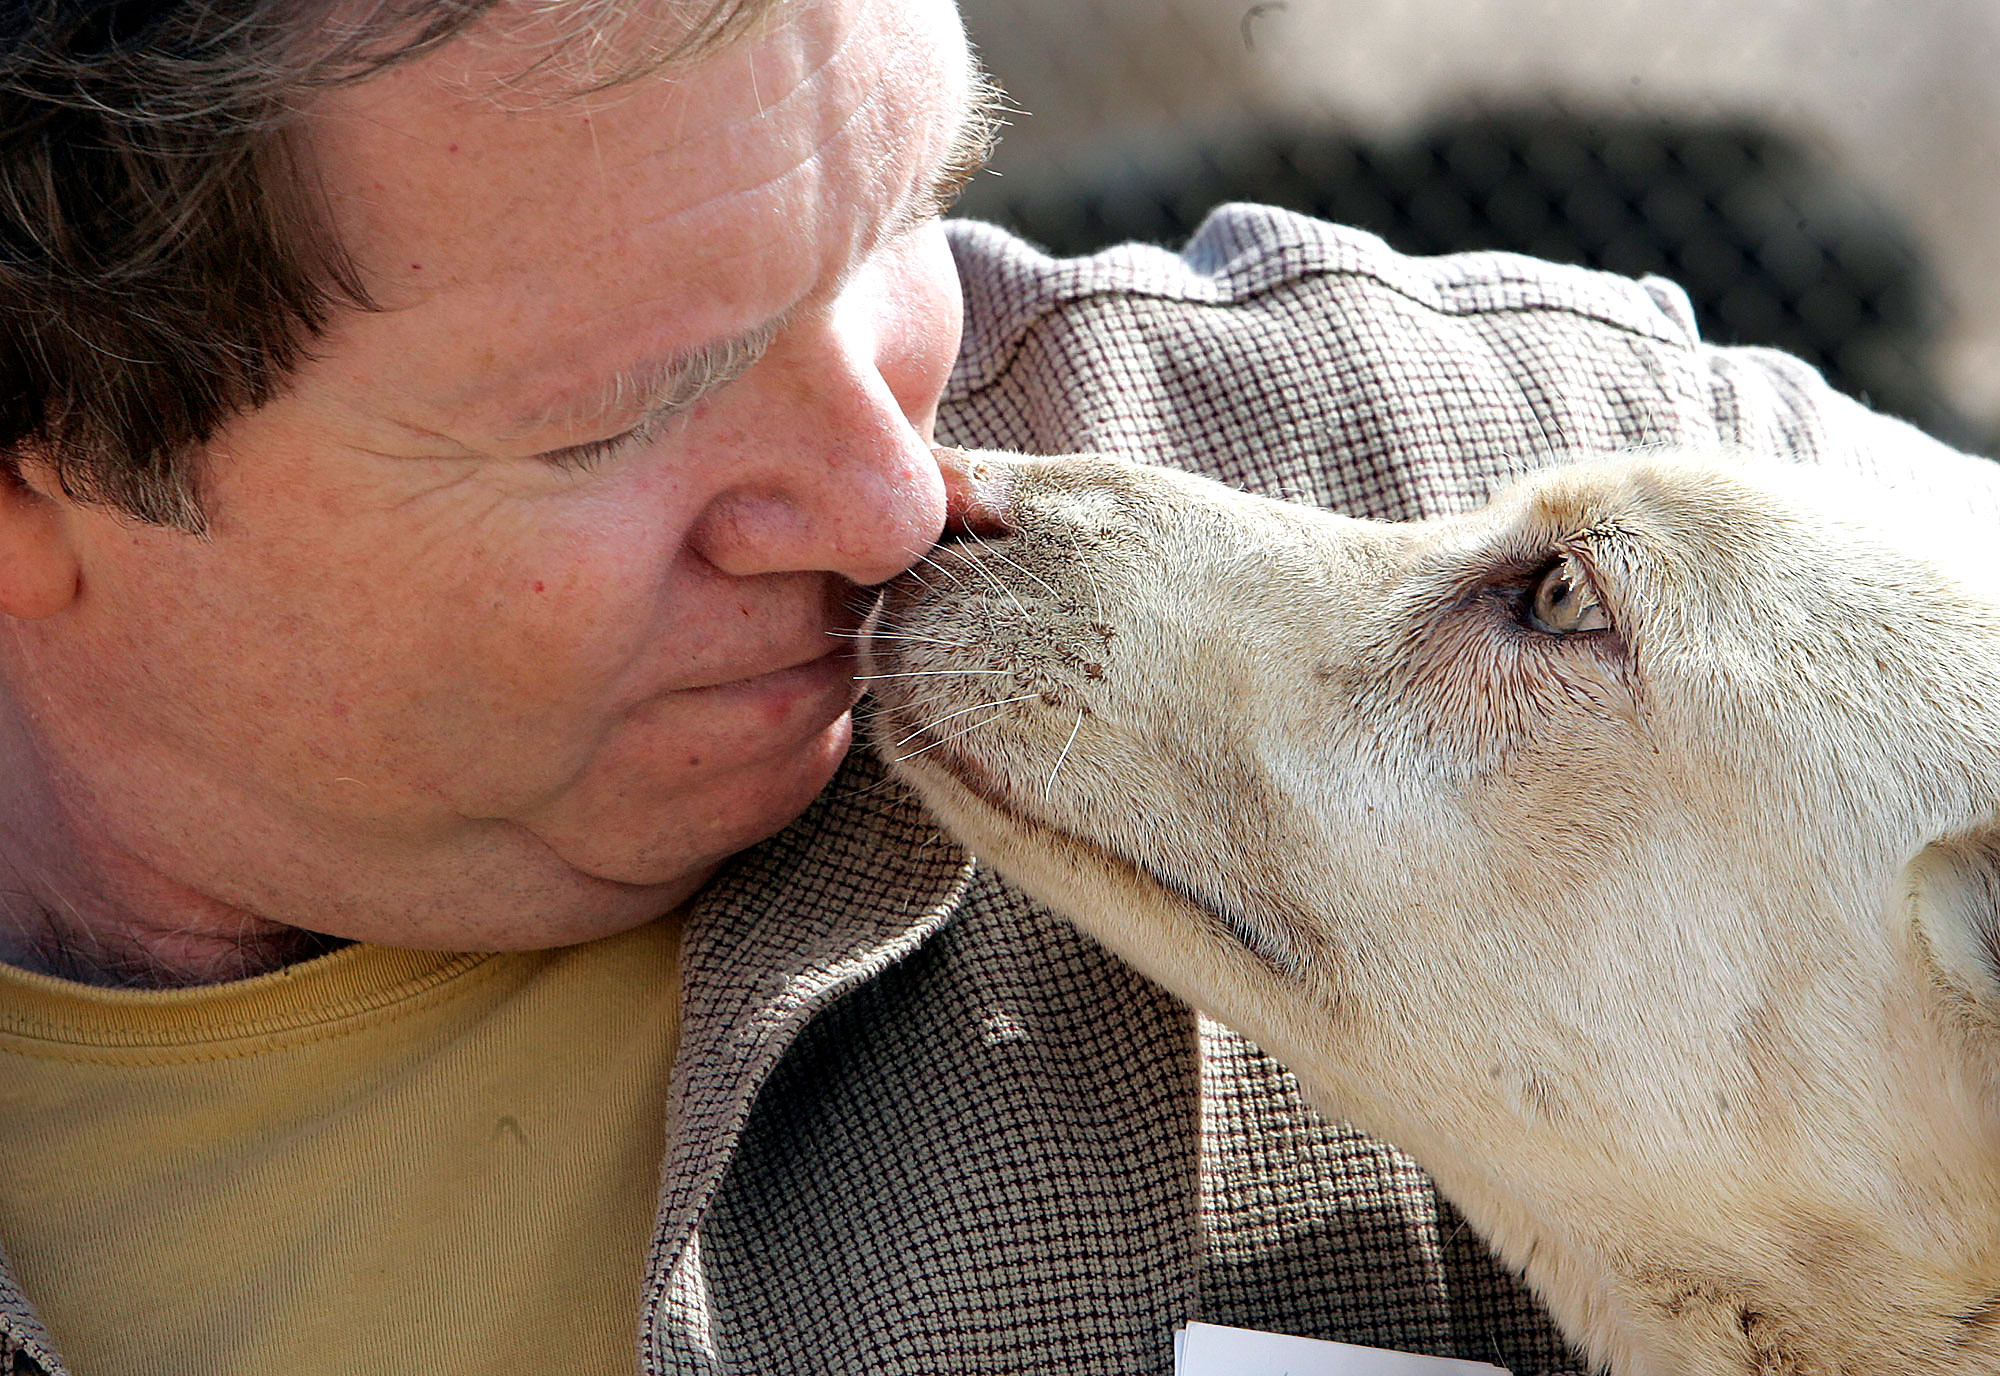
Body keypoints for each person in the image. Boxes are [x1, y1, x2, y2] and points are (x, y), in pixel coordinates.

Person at [1, 1, 1995, 1374]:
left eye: (906, 218)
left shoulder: (1475, 436)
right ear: (47, 465)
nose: (905, 497)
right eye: (637, 408)